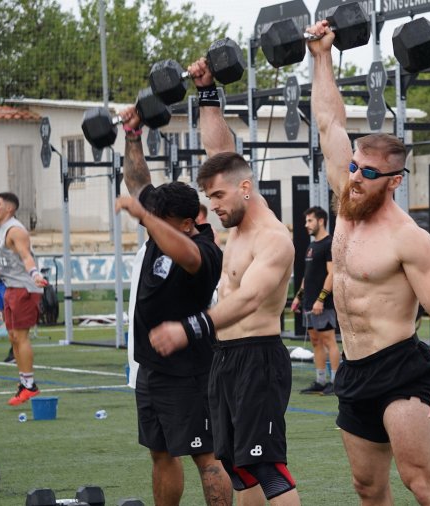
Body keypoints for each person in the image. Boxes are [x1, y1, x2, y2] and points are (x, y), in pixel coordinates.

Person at [307, 19, 430, 505]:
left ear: (394, 181)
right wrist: (323, 57)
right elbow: (330, 122)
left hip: (399, 369)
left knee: (422, 483)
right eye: (354, 165)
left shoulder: (409, 239)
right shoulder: (345, 197)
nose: (355, 176)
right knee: (367, 487)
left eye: (369, 173)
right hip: (352, 370)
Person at [145, 57, 300, 506]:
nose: (210, 205)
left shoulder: (272, 237)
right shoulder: (235, 229)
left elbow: (250, 299)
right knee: (238, 469)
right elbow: (219, 154)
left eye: (217, 195)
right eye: (208, 195)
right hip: (225, 358)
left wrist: (188, 327)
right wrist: (207, 92)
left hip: (258, 358)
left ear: (246, 188)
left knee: (267, 468)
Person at [115, 107, 232, 506]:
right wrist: (132, 133)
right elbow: (138, 182)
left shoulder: (203, 248)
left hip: (190, 372)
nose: (150, 225)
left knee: (206, 456)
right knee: (160, 452)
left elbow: (187, 256)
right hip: (151, 368)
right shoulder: (163, 223)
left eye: (160, 221)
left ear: (185, 222)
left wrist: (150, 220)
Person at [0, 192, 47, 406]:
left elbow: (25, 255)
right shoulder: (0, 231)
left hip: (25, 288)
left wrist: (35, 274)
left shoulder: (16, 230)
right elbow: (6, 262)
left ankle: (30, 386)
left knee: (20, 337)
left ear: (9, 209)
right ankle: (24, 383)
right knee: (13, 337)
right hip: (10, 287)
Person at [290, 206, 340, 396]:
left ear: (321, 221)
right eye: (306, 221)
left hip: (323, 304)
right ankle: (320, 381)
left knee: (329, 341)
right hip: (309, 303)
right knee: (315, 341)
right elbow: (307, 276)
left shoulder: (329, 244)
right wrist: (299, 297)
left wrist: (321, 299)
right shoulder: (312, 246)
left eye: (310, 221)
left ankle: (335, 383)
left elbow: (332, 274)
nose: (306, 225)